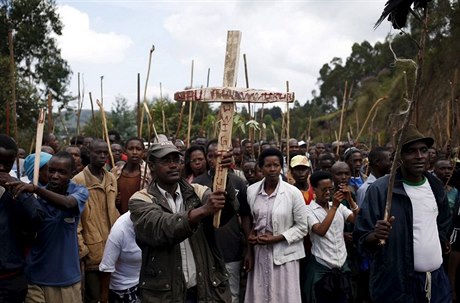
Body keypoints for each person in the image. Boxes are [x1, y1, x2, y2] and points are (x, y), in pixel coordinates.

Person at [129, 141, 238, 302]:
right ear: (151, 166)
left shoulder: (197, 191)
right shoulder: (140, 199)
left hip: (205, 289)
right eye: (166, 161)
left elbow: (224, 212)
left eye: (176, 160)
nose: (173, 165)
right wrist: (202, 211)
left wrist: (223, 176)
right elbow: (162, 228)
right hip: (166, 294)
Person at [354, 125, 452, 302]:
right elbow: (360, 238)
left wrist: (441, 240)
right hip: (399, 288)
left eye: (423, 150)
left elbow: (443, 221)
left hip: (437, 284)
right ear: (399, 156)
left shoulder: (435, 185)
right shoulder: (381, 190)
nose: (420, 156)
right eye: (411, 151)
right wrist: (375, 235)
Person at [8, 151, 89, 303]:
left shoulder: (79, 191)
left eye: (62, 172)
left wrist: (36, 189)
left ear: (72, 174)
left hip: (65, 280)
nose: (55, 176)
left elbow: (68, 203)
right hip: (35, 277)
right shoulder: (33, 198)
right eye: (52, 170)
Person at [245, 148, 309, 303]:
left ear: (282, 167)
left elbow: (302, 227)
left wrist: (277, 238)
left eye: (276, 165)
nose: (272, 169)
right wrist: (251, 240)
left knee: (284, 296)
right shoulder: (252, 191)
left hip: (285, 256)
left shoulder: (293, 193)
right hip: (260, 253)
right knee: (261, 295)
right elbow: (255, 221)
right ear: (261, 168)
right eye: (268, 165)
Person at [193, 139, 251, 303]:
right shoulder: (197, 184)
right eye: (211, 156)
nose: (215, 160)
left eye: (219, 156)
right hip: (206, 248)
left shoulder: (238, 182)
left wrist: (248, 248)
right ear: (206, 158)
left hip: (231, 248)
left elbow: (245, 216)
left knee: (231, 294)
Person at [73, 139, 120, 303]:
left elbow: (114, 209)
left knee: (111, 294)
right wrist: (82, 248)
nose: (102, 156)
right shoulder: (78, 181)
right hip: (92, 249)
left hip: (113, 246)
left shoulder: (112, 178)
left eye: (105, 153)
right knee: (94, 296)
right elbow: (76, 219)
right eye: (97, 152)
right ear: (89, 153)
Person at [303, 170, 359, 302]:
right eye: (324, 189)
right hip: (322, 266)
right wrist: (334, 207)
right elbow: (321, 230)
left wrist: (350, 200)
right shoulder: (308, 210)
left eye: (330, 189)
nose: (328, 193)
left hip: (342, 264)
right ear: (314, 190)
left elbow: (357, 220)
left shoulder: (339, 207)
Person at [0, 134, 43, 303]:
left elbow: (37, 218)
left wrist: (18, 190)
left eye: (7, 164)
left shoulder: (18, 189)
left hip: (10, 279)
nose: (2, 168)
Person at [99, 212, 142, 303]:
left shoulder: (152, 222)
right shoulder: (120, 230)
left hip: (144, 282)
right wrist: (104, 299)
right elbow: (106, 268)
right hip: (123, 287)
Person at [111, 137, 151, 215]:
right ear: (125, 151)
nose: (135, 152)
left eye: (138, 149)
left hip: (141, 217)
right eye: (131, 149)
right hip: (118, 218)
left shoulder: (149, 174)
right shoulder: (115, 172)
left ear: (143, 152)